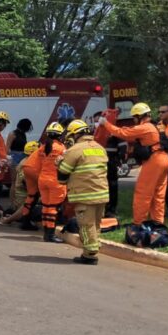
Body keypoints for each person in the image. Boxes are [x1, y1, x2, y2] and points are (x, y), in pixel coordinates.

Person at [98, 103, 168, 226]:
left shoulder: (145, 128)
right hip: (164, 159)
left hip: (154, 161)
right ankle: (158, 222)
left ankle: (138, 222)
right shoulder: (157, 126)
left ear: (139, 116)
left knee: (143, 193)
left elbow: (123, 133)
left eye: (134, 117)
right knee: (158, 194)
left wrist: (106, 123)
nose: (134, 120)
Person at [57, 119, 109, 264]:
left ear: (75, 135)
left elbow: (64, 171)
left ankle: (89, 254)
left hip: (85, 195)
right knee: (95, 224)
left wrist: (59, 162)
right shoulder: (100, 148)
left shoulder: (75, 150)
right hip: (102, 193)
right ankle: (93, 247)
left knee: (86, 225)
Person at [38, 121, 68, 243]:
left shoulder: (42, 148)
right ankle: (50, 235)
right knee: (53, 208)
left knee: (45, 207)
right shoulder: (61, 148)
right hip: (55, 181)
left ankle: (46, 233)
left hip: (43, 179)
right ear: (60, 135)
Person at [92, 111, 125, 218]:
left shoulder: (113, 131)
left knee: (112, 185)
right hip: (99, 161)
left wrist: (119, 158)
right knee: (101, 186)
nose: (97, 122)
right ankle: (102, 208)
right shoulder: (96, 131)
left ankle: (111, 209)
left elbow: (123, 145)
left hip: (110, 161)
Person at [0, 141, 40, 229]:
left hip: (21, 200)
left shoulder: (26, 161)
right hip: (22, 203)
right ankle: (12, 219)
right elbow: (26, 183)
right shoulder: (28, 164)